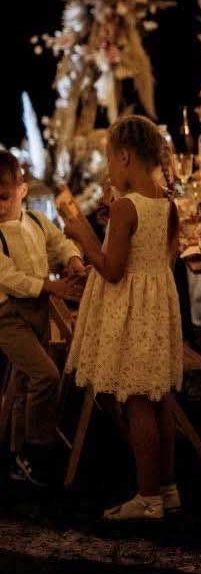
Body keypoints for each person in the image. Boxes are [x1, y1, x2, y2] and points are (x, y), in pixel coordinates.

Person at [63, 116, 184, 521]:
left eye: (109, 160)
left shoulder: (126, 207)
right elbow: (159, 251)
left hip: (133, 314)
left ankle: (147, 497)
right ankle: (168, 487)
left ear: (125, 156)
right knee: (159, 396)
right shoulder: (164, 201)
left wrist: (83, 235)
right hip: (157, 307)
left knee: (136, 402)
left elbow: (112, 268)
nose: (108, 168)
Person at [0, 151, 85, 487]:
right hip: (7, 317)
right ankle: (38, 448)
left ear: (22, 189)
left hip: (36, 312)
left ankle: (16, 452)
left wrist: (74, 260)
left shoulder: (36, 221)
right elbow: (11, 279)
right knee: (45, 375)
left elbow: (60, 243)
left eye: (4, 196)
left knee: (25, 382)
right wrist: (51, 287)